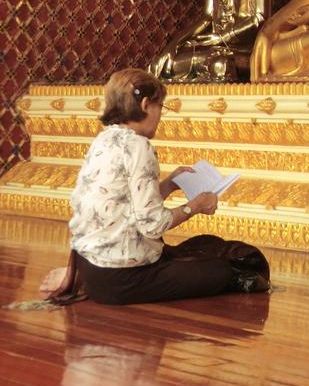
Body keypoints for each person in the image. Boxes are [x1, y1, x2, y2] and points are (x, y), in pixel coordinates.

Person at [46, 68, 269, 306]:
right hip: (123, 280)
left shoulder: (105, 139)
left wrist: (170, 184)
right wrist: (196, 206)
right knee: (225, 269)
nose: (161, 114)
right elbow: (153, 225)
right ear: (145, 105)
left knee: (206, 244)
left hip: (91, 270)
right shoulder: (139, 146)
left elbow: (129, 206)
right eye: (160, 106)